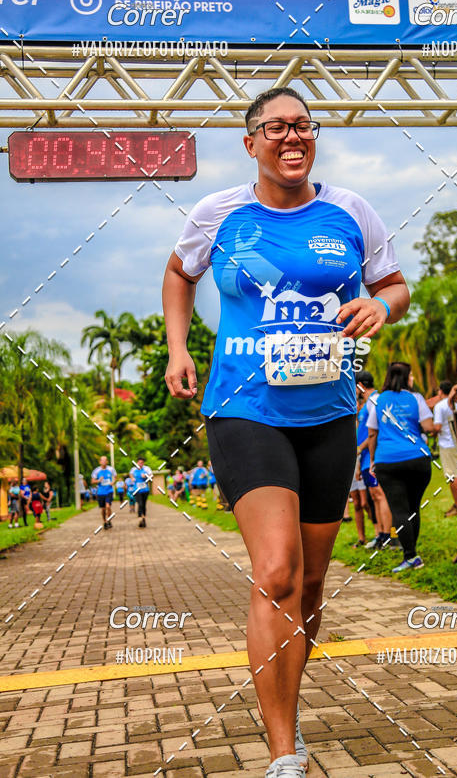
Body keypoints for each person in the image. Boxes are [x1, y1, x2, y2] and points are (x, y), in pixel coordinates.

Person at [162, 87, 408, 777]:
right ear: (251, 143)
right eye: (275, 128)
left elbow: (394, 284)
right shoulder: (221, 213)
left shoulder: (352, 210)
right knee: (276, 573)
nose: (291, 137)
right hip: (244, 408)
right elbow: (180, 274)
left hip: (330, 415)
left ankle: (287, 708)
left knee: (310, 585)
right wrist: (180, 348)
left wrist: (380, 306)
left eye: (303, 126)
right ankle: (282, 752)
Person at [367, 362, 435, 572]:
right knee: (413, 507)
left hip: (388, 461)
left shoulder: (377, 400)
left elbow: (372, 433)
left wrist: (372, 461)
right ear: (406, 377)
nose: (413, 378)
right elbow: (429, 428)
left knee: (399, 509)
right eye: (412, 375)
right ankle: (412, 553)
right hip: (418, 459)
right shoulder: (416, 398)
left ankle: (411, 556)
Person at [355, 370, 393, 550]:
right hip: (364, 459)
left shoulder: (374, 401)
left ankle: (389, 535)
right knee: (374, 496)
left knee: (380, 494)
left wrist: (362, 449)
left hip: (373, 457)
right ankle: (380, 535)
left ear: (360, 385)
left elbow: (375, 432)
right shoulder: (366, 404)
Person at [433, 381, 457, 517]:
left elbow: (437, 427)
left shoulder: (440, 406)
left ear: (441, 391)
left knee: (452, 476)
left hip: (447, 444)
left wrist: (431, 432)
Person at [91, 455, 117, 530]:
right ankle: (104, 521)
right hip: (100, 492)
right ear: (100, 462)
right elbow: (92, 481)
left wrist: (113, 482)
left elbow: (115, 477)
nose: (104, 462)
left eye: (105, 460)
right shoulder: (96, 471)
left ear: (107, 462)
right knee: (103, 509)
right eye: (102, 460)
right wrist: (98, 480)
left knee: (108, 506)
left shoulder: (111, 469)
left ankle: (109, 520)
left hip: (109, 490)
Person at [129, 457, 153, 528]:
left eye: (142, 463)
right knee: (140, 504)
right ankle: (140, 518)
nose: (140, 464)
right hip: (137, 490)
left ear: (143, 463)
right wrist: (132, 478)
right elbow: (130, 474)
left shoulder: (146, 469)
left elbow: (152, 476)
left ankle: (143, 519)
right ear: (137, 462)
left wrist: (146, 476)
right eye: (139, 462)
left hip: (145, 490)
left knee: (144, 505)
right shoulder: (133, 469)